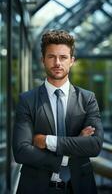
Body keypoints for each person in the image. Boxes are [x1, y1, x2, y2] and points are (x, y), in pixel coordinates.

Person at [12, 30, 103, 194]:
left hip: (80, 187)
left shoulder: (88, 99)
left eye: (63, 57)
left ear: (72, 61)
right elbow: (21, 151)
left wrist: (46, 141)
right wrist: (70, 151)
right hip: (35, 188)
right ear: (43, 60)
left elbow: (94, 145)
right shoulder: (27, 100)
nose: (57, 63)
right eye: (51, 57)